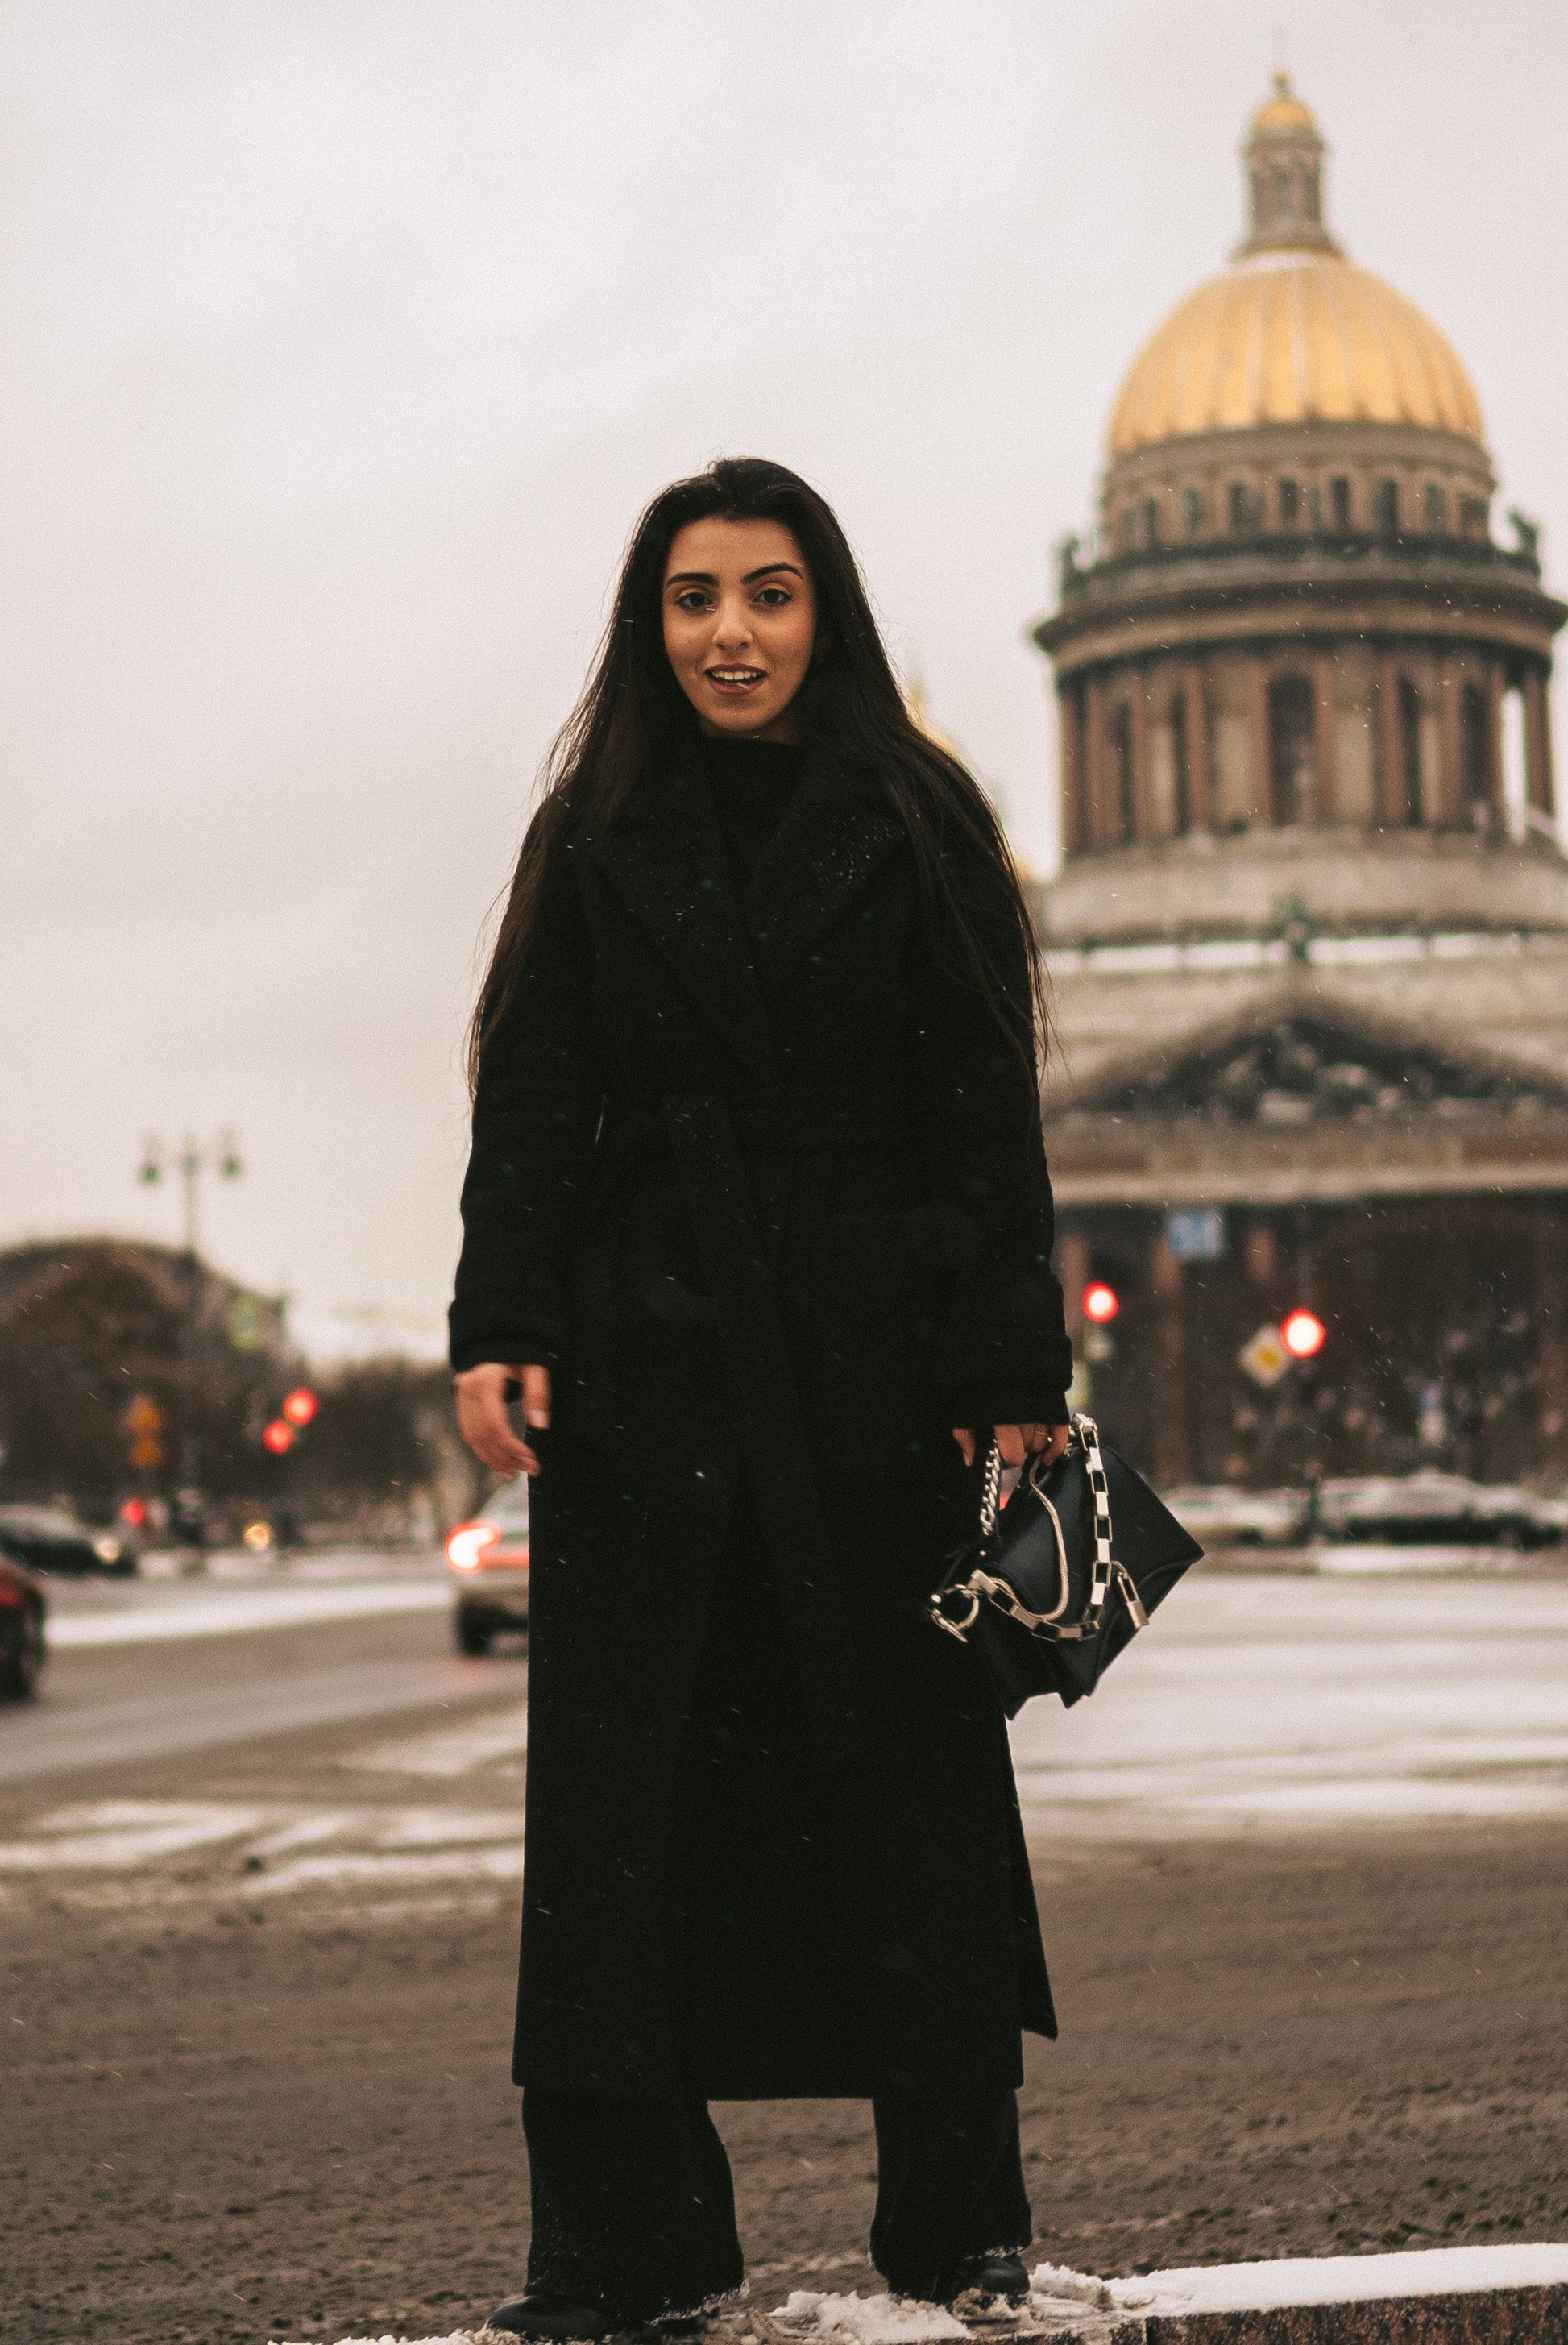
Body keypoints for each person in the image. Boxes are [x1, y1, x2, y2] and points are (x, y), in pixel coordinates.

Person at [450, 456, 1072, 2341]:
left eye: (769, 593)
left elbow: (982, 1106)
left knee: (912, 1800)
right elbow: (531, 1100)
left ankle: (958, 2226)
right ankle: (620, 2247)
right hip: (643, 1374)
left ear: (827, 613)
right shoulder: (590, 830)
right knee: (621, 1822)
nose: (731, 633)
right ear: (649, 623)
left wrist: (1007, 1361)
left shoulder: (919, 819)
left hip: (876, 1374)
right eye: (694, 596)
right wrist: (502, 1318)